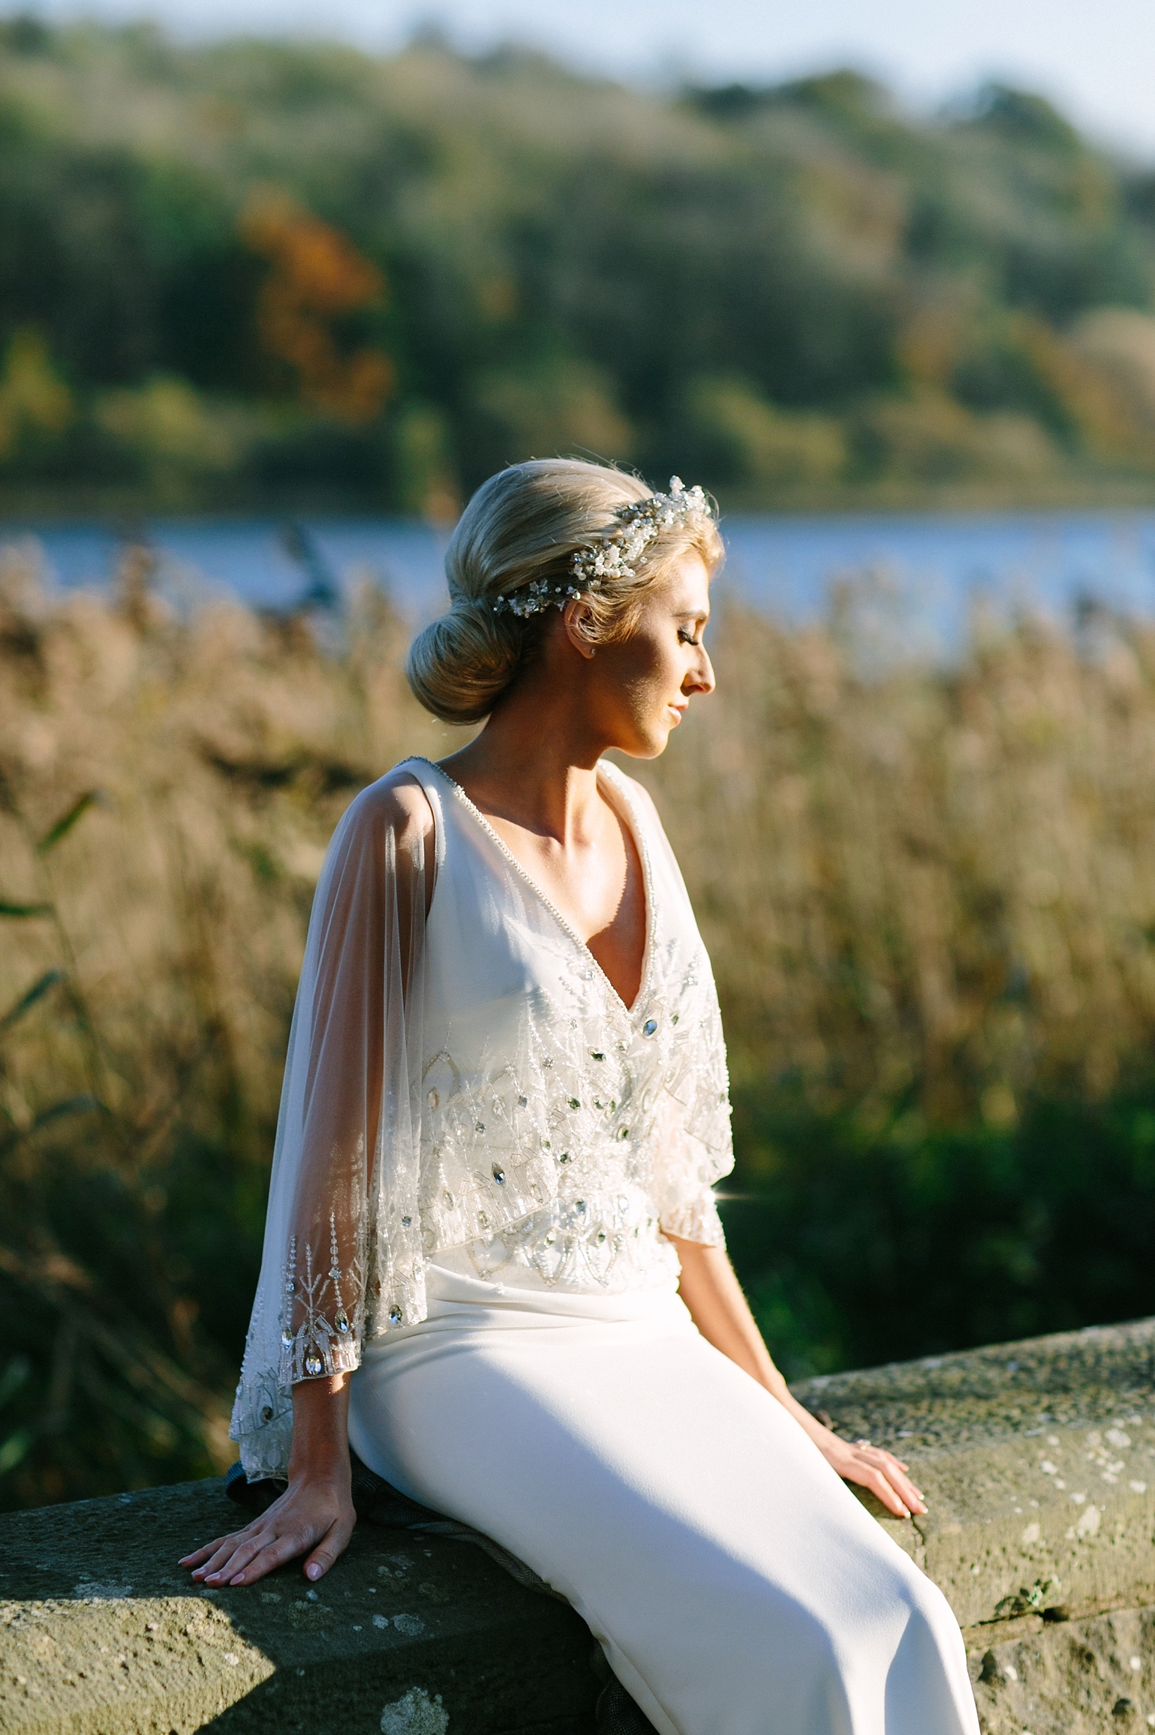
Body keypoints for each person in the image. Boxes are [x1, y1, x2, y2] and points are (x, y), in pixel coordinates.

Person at [182, 460, 979, 1735]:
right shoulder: (407, 830)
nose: (705, 674)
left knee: (905, 1619)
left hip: (643, 1337)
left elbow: (669, 1175)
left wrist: (780, 1412)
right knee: (798, 1640)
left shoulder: (642, 824)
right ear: (588, 621)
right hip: (462, 1357)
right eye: (688, 632)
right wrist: (318, 1467)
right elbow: (332, 1170)